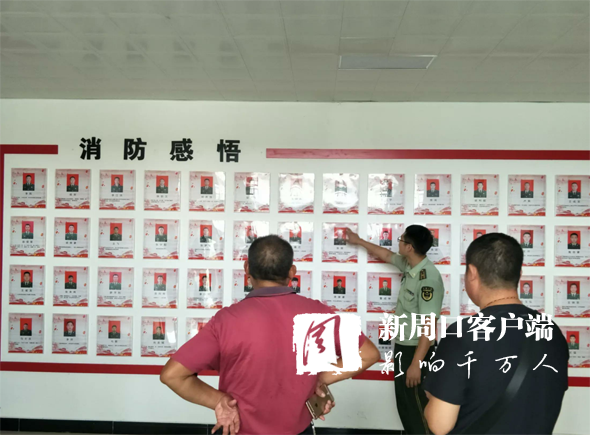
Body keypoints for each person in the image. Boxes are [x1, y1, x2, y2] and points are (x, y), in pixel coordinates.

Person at [160, 235, 380, 435]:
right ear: (292, 272)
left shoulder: (226, 320)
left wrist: (219, 400)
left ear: (247, 268)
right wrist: (320, 378)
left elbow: (172, 375)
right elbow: (368, 354)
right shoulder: (318, 314)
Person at [423, 233, 568, 435]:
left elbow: (439, 425)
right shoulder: (551, 331)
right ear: (519, 273)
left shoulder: (464, 333)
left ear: (472, 273)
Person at [347, 224, 444, 435]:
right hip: (403, 347)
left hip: (416, 351)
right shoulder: (410, 265)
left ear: (409, 247)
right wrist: (358, 241)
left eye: (401, 239)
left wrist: (416, 364)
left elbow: (429, 326)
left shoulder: (428, 279)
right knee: (406, 406)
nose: (398, 242)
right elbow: (385, 254)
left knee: (418, 409)